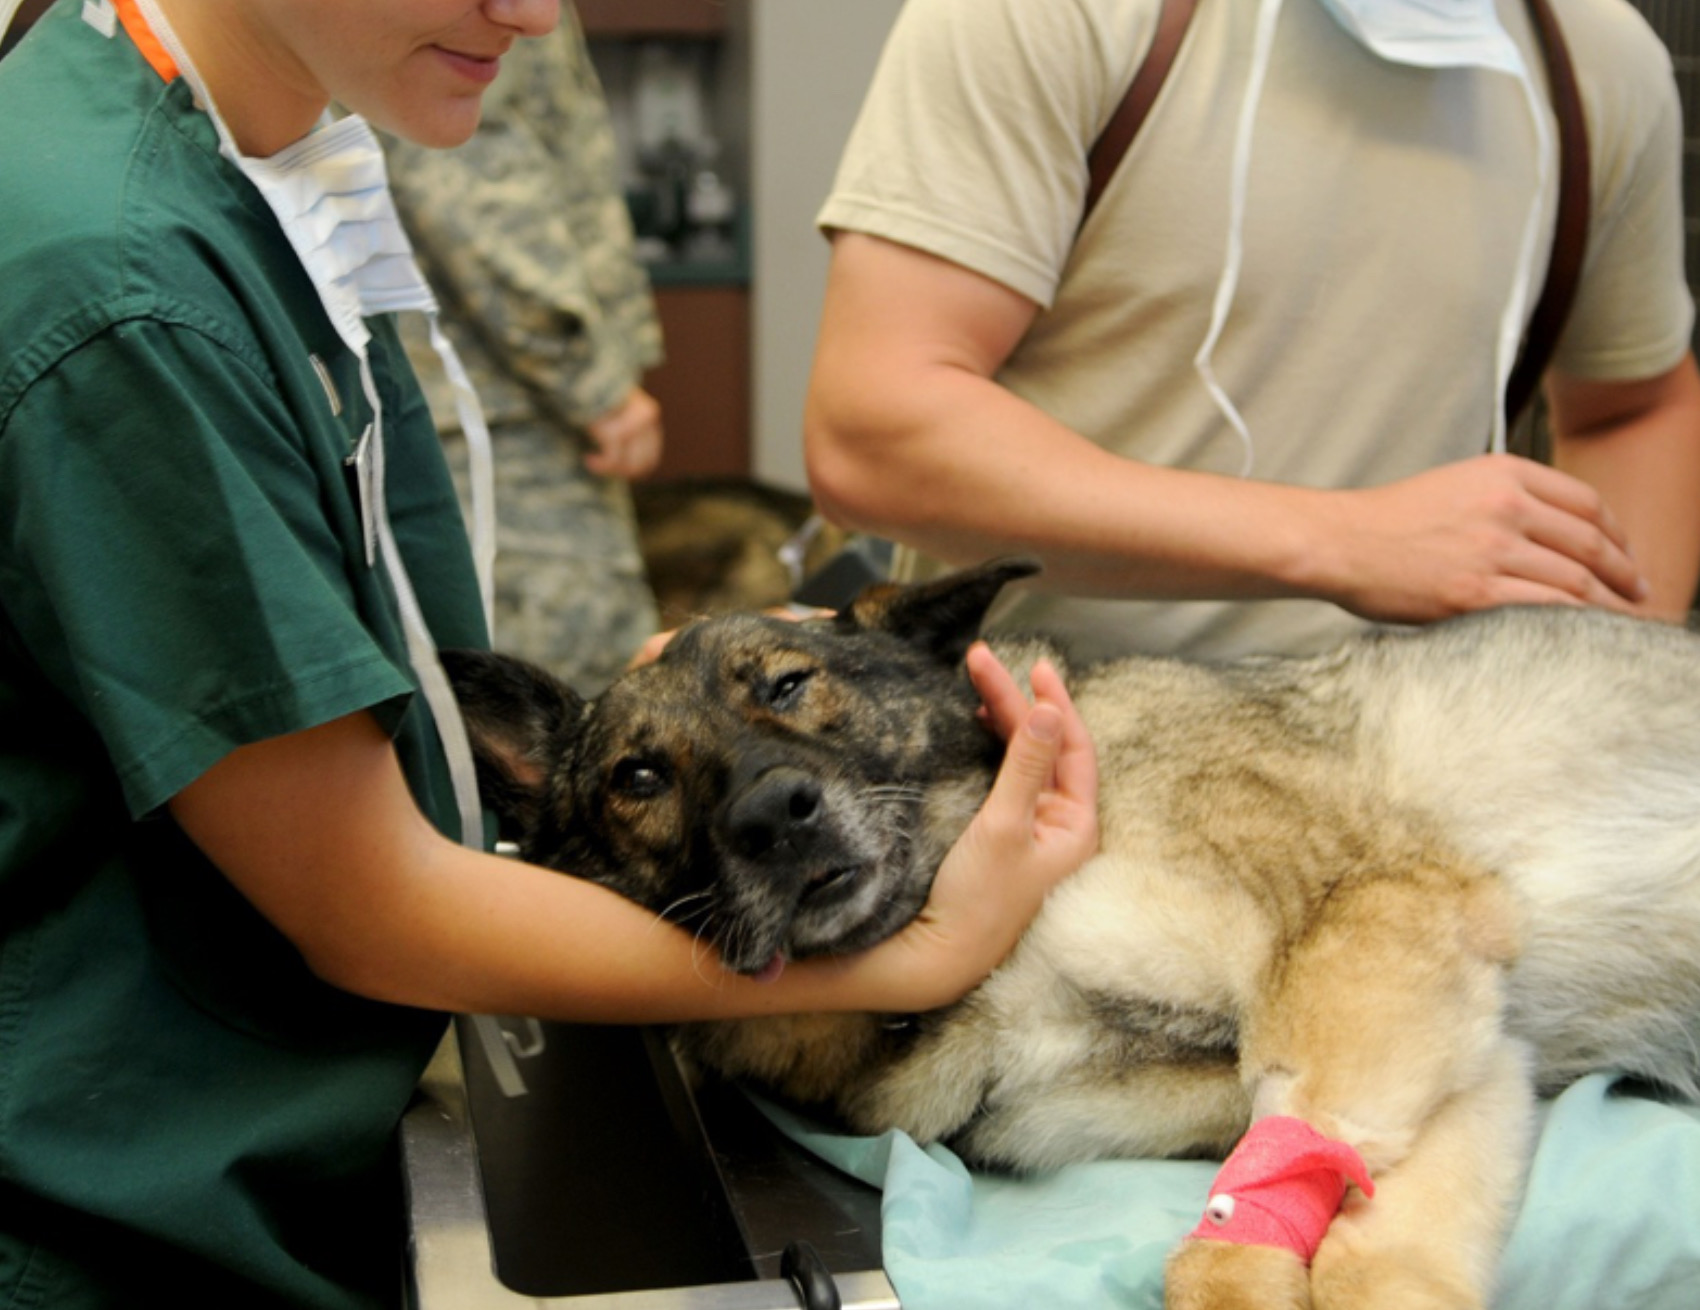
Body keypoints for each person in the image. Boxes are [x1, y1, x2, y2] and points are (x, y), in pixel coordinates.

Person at [0, 3, 1098, 1308]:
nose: (531, 13)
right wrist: (917, 950)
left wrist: (684, 708)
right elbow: (371, 905)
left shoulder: (264, 161)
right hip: (134, 1229)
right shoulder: (127, 290)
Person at [805, 0, 1700, 664]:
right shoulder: (1060, 15)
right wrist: (1345, 541)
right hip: (1052, 767)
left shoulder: (1598, 63)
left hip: (1428, 772)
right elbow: (874, 431)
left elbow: (1634, 405)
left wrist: (1609, 684)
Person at [383, 10, 665, 693]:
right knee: (572, 714)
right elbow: (469, 183)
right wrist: (594, 384)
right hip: (500, 413)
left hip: (485, 400)